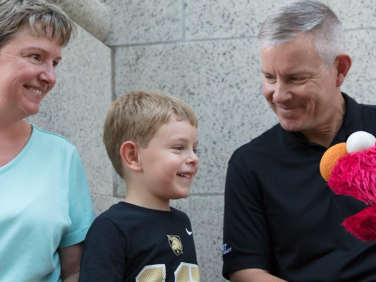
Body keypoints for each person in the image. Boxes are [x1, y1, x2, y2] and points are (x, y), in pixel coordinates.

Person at [222, 1, 376, 281]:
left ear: (340, 70)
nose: (278, 95)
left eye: (296, 78)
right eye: (269, 77)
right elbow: (246, 270)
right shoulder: (249, 163)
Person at [0, 1, 96, 281]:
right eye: (35, 56)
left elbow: (76, 270)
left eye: (55, 63)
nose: (50, 77)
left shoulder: (61, 156)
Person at [79, 91, 201, 282]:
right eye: (179, 147)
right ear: (133, 156)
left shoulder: (182, 222)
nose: (194, 158)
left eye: (195, 149)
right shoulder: (111, 229)